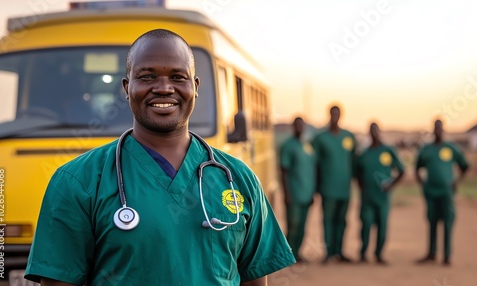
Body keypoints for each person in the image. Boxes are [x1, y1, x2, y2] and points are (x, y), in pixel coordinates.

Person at [24, 29, 295, 285]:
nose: (164, 88)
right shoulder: (78, 181)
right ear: (127, 87)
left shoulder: (239, 178)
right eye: (148, 76)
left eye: (178, 77)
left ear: (195, 86)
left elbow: (254, 278)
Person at [415, 119, 469, 266]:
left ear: (443, 130)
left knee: (447, 223)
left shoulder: (451, 148)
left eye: (440, 128)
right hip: (431, 192)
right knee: (432, 222)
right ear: (433, 130)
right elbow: (417, 167)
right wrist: (423, 184)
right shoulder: (427, 149)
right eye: (435, 128)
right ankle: (431, 253)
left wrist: (456, 181)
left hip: (446, 193)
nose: (438, 131)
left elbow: (464, 166)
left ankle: (447, 256)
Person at [311, 105, 356, 263]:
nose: (335, 116)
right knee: (328, 220)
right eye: (333, 114)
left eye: (338, 114)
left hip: (344, 188)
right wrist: (316, 187)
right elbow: (314, 164)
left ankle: (339, 252)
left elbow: (354, 160)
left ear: (341, 115)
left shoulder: (349, 137)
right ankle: (328, 253)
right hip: (328, 188)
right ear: (329, 114)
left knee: (342, 221)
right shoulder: (320, 138)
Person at [355, 123, 404, 265]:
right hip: (367, 197)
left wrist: (392, 185)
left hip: (382, 197)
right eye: (371, 131)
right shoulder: (364, 154)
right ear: (369, 134)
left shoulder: (388, 151)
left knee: (382, 226)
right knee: (366, 224)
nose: (374, 134)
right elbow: (357, 172)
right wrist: (361, 185)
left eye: (376, 131)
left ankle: (379, 254)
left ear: (379, 132)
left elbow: (401, 170)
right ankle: (363, 253)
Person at [279, 117, 316, 263]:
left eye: (302, 125)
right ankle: (288, 255)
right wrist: (287, 194)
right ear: (293, 127)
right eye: (297, 125)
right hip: (293, 193)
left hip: (306, 193)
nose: (300, 128)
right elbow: (284, 171)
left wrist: (312, 192)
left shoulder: (307, 147)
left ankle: (298, 253)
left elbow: (311, 169)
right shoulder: (288, 146)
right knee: (292, 225)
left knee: (302, 226)